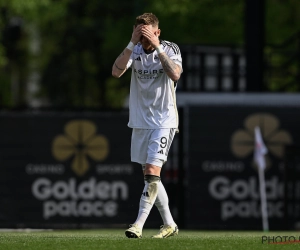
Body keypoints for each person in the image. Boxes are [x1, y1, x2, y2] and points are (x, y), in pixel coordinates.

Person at [112, 12, 182, 238]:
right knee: (150, 177)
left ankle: (138, 225)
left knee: (153, 171)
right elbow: (116, 71)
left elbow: (175, 74)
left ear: (157, 32)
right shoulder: (135, 49)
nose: (144, 39)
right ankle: (170, 224)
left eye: (148, 34)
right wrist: (133, 42)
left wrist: (157, 47)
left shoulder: (170, 48)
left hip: (164, 119)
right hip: (141, 121)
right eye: (140, 34)